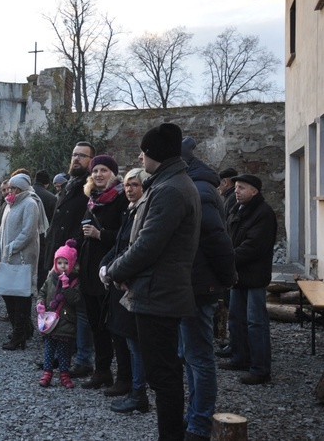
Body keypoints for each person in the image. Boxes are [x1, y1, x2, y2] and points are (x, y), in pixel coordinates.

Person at [101, 123, 201, 441]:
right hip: (156, 290)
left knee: (163, 374)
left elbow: (147, 245)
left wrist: (114, 271)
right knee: (163, 372)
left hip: (160, 294)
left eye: (143, 152)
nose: (140, 157)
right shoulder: (168, 183)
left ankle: (170, 436)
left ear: (153, 154)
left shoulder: (170, 189)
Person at [180, 138, 237, 440]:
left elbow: (218, 240)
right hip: (193, 285)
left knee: (199, 357)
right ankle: (194, 417)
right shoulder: (198, 186)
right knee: (191, 355)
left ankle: (200, 424)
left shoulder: (199, 191)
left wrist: (227, 279)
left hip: (198, 287)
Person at [78, 155, 130, 394]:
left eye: (104, 170)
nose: (99, 174)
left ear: (113, 174)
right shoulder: (92, 199)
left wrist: (101, 235)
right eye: (95, 171)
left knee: (114, 327)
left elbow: (125, 237)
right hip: (89, 270)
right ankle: (102, 371)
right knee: (96, 323)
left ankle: (124, 378)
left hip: (109, 271)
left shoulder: (121, 199)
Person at [101, 168, 151, 414]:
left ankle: (138, 390)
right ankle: (134, 387)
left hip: (132, 285)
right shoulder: (129, 211)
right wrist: (105, 267)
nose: (130, 189)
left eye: (135, 184)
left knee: (135, 344)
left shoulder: (143, 212)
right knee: (127, 340)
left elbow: (137, 250)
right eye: (128, 184)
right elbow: (119, 245)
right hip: (120, 282)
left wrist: (115, 271)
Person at [44, 142, 96, 379]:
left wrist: (72, 251)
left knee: (75, 308)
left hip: (74, 256)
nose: (76, 159)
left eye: (82, 156)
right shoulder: (68, 185)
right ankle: (59, 354)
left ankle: (80, 358)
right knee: (57, 304)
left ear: (91, 160)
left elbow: (85, 223)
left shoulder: (89, 187)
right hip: (57, 254)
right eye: (74, 154)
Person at [219, 174, 276, 386]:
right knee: (236, 318)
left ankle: (260, 369)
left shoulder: (264, 213)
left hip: (254, 276)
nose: (236, 191)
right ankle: (240, 357)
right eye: (236, 187)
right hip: (239, 275)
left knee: (256, 323)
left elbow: (253, 246)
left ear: (255, 191)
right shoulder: (238, 209)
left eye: (242, 188)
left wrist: (227, 259)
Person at [0, 173, 42, 351]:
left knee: (20, 297)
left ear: (21, 188)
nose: (10, 191)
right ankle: (21, 329)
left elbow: (28, 232)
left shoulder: (29, 204)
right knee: (8, 295)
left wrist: (11, 248)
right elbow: (2, 233)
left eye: (13, 188)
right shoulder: (9, 204)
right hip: (7, 258)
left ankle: (20, 334)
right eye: (9, 188)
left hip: (22, 259)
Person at [37, 239, 81, 389]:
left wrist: (67, 287)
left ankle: (64, 374)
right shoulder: (51, 278)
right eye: (60, 263)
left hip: (66, 321)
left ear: (72, 264)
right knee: (49, 350)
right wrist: (40, 303)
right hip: (50, 321)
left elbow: (76, 299)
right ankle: (47, 373)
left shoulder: (75, 281)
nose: (62, 266)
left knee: (64, 352)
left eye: (66, 263)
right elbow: (42, 292)